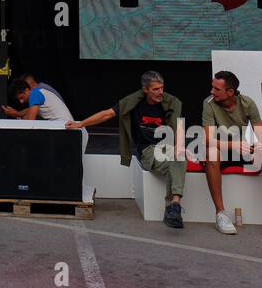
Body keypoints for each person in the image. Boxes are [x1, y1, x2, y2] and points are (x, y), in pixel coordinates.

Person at [69, 70, 186, 229]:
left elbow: (178, 128)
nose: (161, 92)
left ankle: (174, 205)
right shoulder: (133, 101)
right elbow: (107, 114)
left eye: (162, 88)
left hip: (167, 146)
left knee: (179, 157)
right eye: (156, 89)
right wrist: (81, 123)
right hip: (148, 150)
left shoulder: (171, 103)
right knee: (175, 162)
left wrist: (181, 148)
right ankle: (173, 208)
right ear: (145, 89)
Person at [201, 71, 262, 236]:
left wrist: (253, 148)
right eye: (212, 87)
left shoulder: (247, 103)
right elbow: (208, 140)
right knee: (211, 153)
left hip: (241, 151)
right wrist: (233, 146)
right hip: (222, 150)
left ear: (230, 92)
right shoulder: (209, 103)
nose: (212, 91)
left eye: (216, 89)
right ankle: (220, 214)